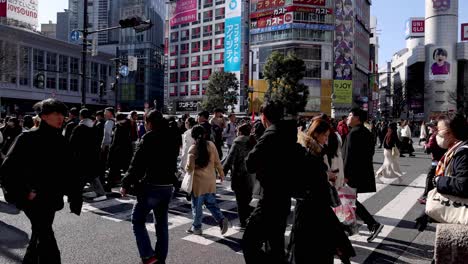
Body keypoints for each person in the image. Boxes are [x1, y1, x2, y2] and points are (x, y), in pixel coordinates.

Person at [0, 98, 82, 264]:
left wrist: (75, 196)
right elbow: (7, 170)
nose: (61, 118)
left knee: (39, 235)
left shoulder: (61, 141)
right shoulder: (27, 138)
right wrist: (24, 192)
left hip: (52, 198)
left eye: (63, 114)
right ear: (43, 116)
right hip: (33, 199)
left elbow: (71, 172)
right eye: (56, 113)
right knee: (46, 237)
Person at [120, 110, 179, 264]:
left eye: (145, 122)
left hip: (152, 185)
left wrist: (125, 183)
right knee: (161, 224)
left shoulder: (149, 138)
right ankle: (160, 258)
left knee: (137, 220)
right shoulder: (171, 136)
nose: (145, 125)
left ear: (150, 123)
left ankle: (148, 256)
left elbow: (136, 165)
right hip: (167, 186)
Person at [293, 118, 355, 263]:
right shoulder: (309, 152)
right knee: (317, 248)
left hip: (313, 204)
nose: (326, 140)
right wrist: (327, 175)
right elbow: (309, 177)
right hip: (312, 205)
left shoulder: (314, 150)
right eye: (325, 136)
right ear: (316, 133)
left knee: (319, 247)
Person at [242, 101, 297, 263]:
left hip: (269, 199)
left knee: (249, 243)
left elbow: (250, 163)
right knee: (276, 245)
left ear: (263, 116)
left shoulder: (270, 134)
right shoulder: (289, 132)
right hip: (283, 196)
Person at [416, 112, 468, 232]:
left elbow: (463, 184)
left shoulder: (463, 153)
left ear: (451, 133)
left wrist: (438, 180)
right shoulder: (455, 150)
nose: (437, 134)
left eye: (439, 130)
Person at [342, 108, 383, 243]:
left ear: (357, 118)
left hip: (352, 174)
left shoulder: (353, 134)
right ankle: (351, 229)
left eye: (350, 115)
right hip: (362, 173)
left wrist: (345, 174)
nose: (347, 117)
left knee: (348, 201)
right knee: (350, 202)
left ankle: (371, 224)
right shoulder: (366, 132)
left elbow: (348, 157)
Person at [185, 125, 229, 235]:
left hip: (198, 183)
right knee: (211, 203)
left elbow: (189, 168)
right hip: (210, 180)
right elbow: (218, 161)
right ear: (205, 134)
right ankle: (221, 219)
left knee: (197, 206)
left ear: (193, 136)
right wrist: (221, 174)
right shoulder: (211, 145)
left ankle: (197, 227)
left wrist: (186, 166)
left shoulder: (193, 149)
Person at [223, 123, 255, 230]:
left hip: (239, 175)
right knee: (249, 199)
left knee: (240, 201)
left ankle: (243, 223)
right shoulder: (253, 141)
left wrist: (222, 172)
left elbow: (229, 160)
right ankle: (250, 221)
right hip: (251, 175)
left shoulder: (237, 142)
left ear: (239, 132)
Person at [69, 109, 106, 202]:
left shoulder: (79, 128)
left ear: (81, 116)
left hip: (80, 156)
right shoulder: (94, 127)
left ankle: (100, 193)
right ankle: (98, 193)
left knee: (84, 175)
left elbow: (72, 144)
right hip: (92, 156)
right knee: (90, 175)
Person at [418, 125, 447, 204]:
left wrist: (425, 145)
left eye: (430, 127)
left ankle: (426, 196)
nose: (428, 129)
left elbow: (430, 147)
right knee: (436, 178)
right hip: (443, 159)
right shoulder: (442, 135)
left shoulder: (434, 136)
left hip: (436, 160)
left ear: (434, 127)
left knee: (430, 179)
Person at [107, 113, 133, 190]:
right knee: (127, 169)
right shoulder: (127, 126)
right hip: (127, 152)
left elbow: (115, 142)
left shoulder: (119, 128)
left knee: (113, 170)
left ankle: (109, 185)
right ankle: (130, 186)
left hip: (118, 152)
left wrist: (110, 152)